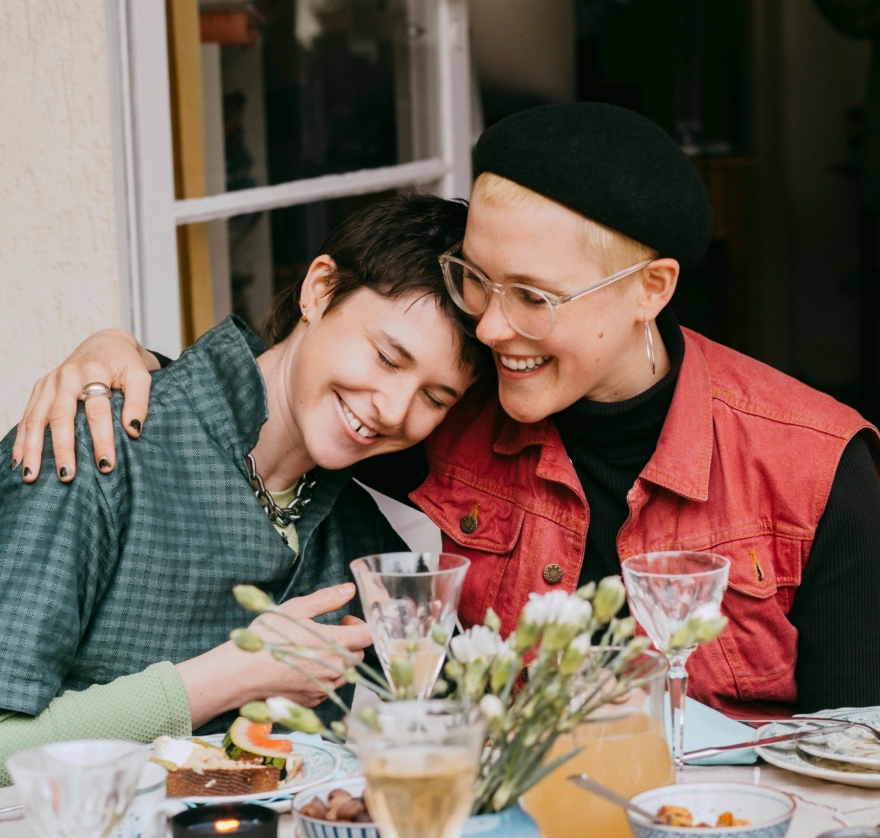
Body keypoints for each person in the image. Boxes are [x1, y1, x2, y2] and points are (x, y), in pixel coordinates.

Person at [17, 104, 880, 718]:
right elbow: (279, 408)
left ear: (651, 290)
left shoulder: (817, 467)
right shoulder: (445, 414)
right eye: (477, 278)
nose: (492, 328)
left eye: (534, 297)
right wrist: (123, 360)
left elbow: (857, 763)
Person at [0, 194, 479, 783]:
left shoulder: (359, 534)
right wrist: (230, 677)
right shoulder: (91, 444)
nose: (394, 410)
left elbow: (469, 720)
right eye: (386, 357)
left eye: (435, 398)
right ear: (319, 289)